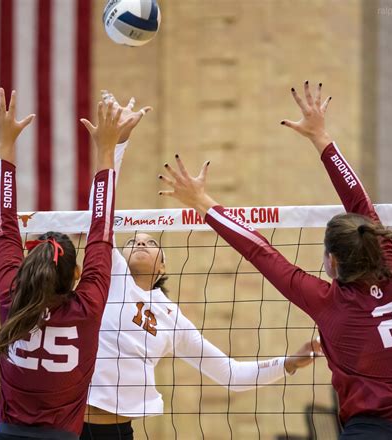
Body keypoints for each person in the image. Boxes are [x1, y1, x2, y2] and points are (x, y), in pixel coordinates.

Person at [158, 82, 392, 439]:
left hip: (371, 432)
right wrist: (321, 137)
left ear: (333, 262)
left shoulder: (329, 303)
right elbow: (359, 202)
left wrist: (201, 203)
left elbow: (259, 250)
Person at [81, 92, 322, 440]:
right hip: (70, 423)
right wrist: (118, 143)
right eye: (134, 240)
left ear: (163, 268)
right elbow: (99, 212)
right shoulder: (111, 274)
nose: (140, 242)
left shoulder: (172, 318)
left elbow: (230, 374)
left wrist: (288, 363)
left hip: (118, 432)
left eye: (151, 243)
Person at [0, 88, 129, 440]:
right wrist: (107, 149)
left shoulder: (10, 297)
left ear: (27, 268)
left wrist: (4, 144)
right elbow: (101, 229)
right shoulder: (86, 306)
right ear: (76, 274)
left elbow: (3, 224)